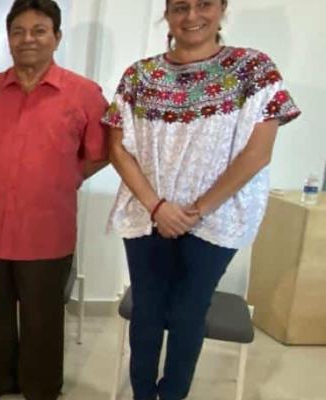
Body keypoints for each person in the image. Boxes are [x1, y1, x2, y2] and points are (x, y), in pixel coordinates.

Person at [104, 1, 301, 399]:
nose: (192, 16)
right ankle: (143, 394)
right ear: (167, 13)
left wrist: (196, 211)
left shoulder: (254, 70)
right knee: (147, 310)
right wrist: (159, 208)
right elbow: (118, 148)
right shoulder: (139, 75)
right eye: (179, 7)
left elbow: (256, 154)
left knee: (188, 313)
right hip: (147, 213)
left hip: (215, 218)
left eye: (204, 4)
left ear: (222, 7)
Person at [0, 0, 109, 399]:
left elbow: (102, 152)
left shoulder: (84, 94)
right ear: (8, 38)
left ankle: (40, 387)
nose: (28, 39)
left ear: (57, 37)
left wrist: (67, 177)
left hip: (46, 229)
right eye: (18, 31)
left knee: (42, 318)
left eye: (39, 30)